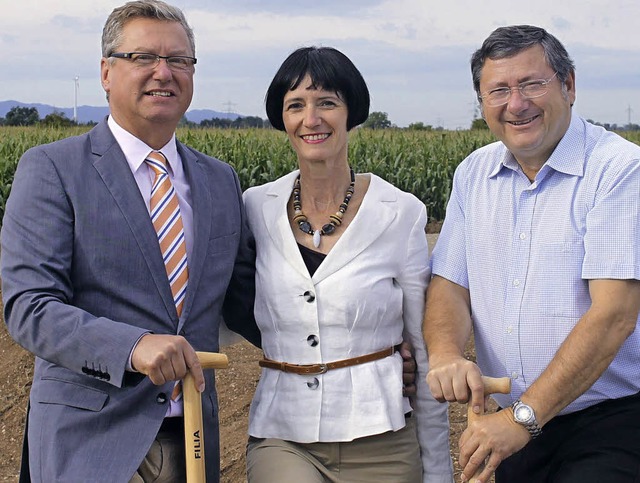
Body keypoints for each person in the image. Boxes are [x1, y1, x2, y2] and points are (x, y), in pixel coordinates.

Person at [0, 1, 261, 481]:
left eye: (179, 60)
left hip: (193, 443)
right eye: (143, 57)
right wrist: (132, 346)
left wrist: (368, 347)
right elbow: (30, 307)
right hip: (90, 441)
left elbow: (252, 304)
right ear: (105, 72)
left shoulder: (221, 181)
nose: (164, 72)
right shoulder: (53, 168)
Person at [423, 25, 640, 483]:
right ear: (482, 103)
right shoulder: (473, 174)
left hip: (612, 422)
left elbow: (614, 314)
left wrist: (523, 418)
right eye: (498, 90)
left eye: (531, 84)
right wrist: (444, 354)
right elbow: (450, 284)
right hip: (513, 422)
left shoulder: (619, 170)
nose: (515, 104)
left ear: (569, 85)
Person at [242, 46, 453, 483]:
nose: (311, 118)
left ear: (351, 111)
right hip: (284, 432)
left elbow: (424, 345)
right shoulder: (253, 208)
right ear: (282, 118)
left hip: (382, 433)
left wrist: (437, 470)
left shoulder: (400, 212)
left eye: (327, 103)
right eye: (295, 105)